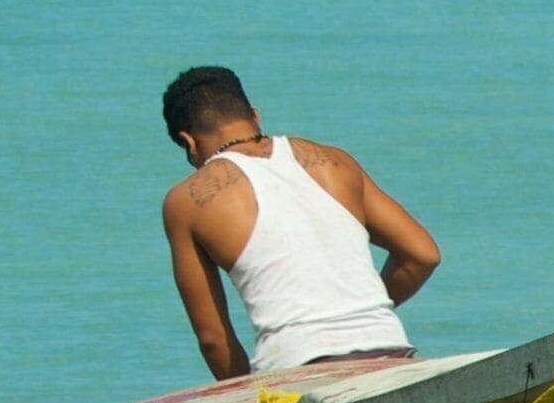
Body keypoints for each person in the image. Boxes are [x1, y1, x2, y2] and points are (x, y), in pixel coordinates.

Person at [156, 67, 441, 380]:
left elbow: (214, 340)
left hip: (295, 372)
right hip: (392, 354)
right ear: (254, 115)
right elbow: (422, 254)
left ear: (188, 141)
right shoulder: (335, 161)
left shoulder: (186, 201)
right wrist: (357, 313)